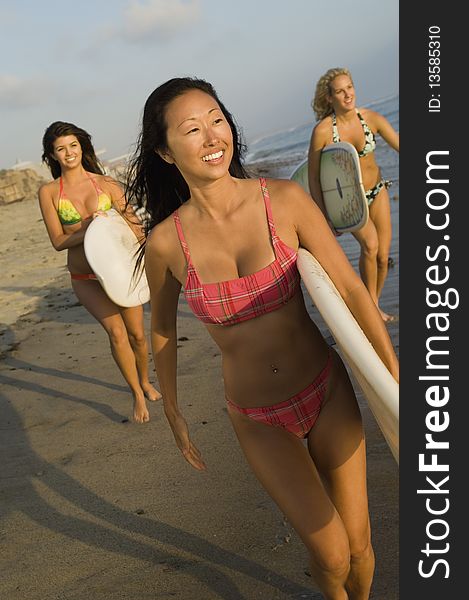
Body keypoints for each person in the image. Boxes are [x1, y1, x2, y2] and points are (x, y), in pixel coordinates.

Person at [126, 77, 399, 599]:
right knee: (331, 553)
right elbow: (162, 328)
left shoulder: (286, 200)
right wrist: (173, 410)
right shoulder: (166, 242)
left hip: (327, 390)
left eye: (217, 120)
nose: (212, 137)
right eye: (192, 129)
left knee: (360, 547)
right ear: (164, 151)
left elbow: (350, 290)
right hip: (257, 417)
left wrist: (395, 381)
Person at [38, 121, 161, 423]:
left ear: (82, 147)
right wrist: (94, 227)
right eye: (61, 149)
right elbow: (57, 241)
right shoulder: (50, 192)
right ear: (52, 155)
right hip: (85, 278)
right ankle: (135, 393)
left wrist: (151, 260)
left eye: (73, 146)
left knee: (137, 336)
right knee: (117, 334)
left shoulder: (106, 184)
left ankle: (145, 380)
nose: (68, 153)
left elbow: (133, 225)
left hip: (122, 272)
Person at [308, 67, 399, 322]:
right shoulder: (324, 131)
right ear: (329, 98)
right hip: (348, 200)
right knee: (370, 246)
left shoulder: (371, 118)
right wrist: (324, 215)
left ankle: (374, 304)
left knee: (382, 256)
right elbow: (314, 176)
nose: (348, 95)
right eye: (340, 91)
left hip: (377, 191)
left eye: (350, 87)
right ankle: (370, 310)